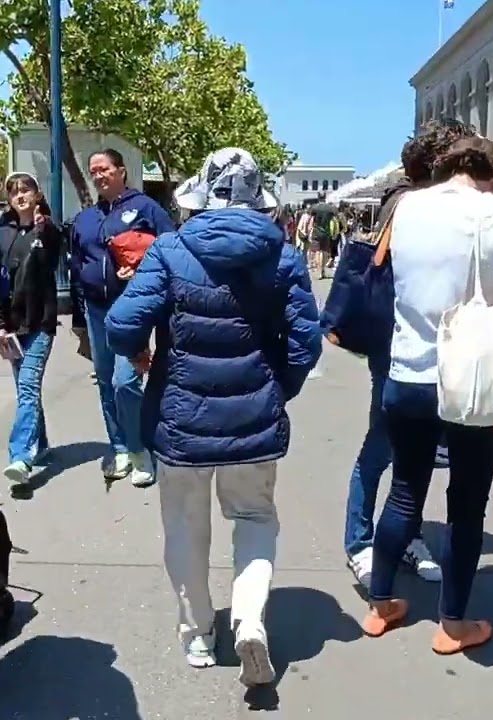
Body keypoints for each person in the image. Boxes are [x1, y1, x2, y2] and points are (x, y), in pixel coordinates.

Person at [104, 147, 321, 686]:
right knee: (254, 519)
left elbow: (122, 324)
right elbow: (305, 344)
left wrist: (137, 354)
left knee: (184, 527)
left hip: (180, 422)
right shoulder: (284, 256)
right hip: (255, 422)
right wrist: (276, 391)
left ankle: (199, 633)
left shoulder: (171, 251)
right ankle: (249, 618)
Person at [364, 136, 493, 654]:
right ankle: (453, 623)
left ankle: (381, 605)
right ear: (491, 174)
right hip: (471, 381)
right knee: (467, 505)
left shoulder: (407, 207)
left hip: (407, 374)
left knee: (404, 490)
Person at [335, 121, 478, 592]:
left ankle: (406, 535)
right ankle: (360, 542)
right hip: (401, 347)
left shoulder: (426, 202)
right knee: (383, 445)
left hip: (435, 346)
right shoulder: (410, 203)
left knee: (413, 452)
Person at [69, 148, 176, 488]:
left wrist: (144, 269)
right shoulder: (86, 218)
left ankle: (140, 448)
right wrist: (77, 317)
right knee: (104, 380)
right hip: (95, 310)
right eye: (93, 170)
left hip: (133, 308)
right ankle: (119, 447)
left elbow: (172, 248)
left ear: (121, 171)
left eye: (104, 169)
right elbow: (75, 267)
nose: (98, 175)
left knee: (124, 382)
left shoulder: (145, 208)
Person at [0, 172, 64, 484]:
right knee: (26, 389)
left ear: (36, 194)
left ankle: (20, 457)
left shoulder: (48, 229)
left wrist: (40, 226)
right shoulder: (4, 230)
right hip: (12, 326)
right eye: (14, 192)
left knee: (27, 389)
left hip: (40, 323)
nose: (21, 196)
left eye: (26, 190)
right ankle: (43, 445)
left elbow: (49, 254)